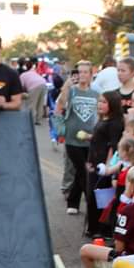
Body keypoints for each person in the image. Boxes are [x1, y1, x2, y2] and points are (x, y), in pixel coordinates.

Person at [56, 60, 97, 216]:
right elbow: (61, 104)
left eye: (85, 72)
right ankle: (90, 202)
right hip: (72, 138)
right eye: (79, 72)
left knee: (82, 171)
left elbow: (98, 113)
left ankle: (73, 201)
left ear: (91, 74)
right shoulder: (72, 90)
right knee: (82, 170)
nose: (82, 75)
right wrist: (67, 85)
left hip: (89, 138)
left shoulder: (96, 93)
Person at [86, 91, 124, 236]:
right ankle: (93, 227)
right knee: (91, 196)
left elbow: (113, 147)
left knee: (101, 198)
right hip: (94, 161)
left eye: (104, 102)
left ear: (112, 105)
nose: (100, 104)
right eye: (99, 101)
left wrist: (107, 168)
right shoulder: (103, 119)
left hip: (103, 166)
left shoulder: (115, 123)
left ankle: (101, 229)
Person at [20, 60, 48, 125]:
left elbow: (20, 86)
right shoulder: (33, 72)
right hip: (43, 84)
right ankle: (38, 120)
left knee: (31, 104)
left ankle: (30, 121)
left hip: (34, 86)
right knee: (40, 104)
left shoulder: (23, 75)